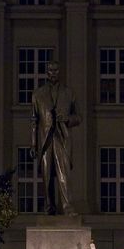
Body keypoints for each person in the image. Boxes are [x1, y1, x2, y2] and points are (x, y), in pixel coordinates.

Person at [30, 60, 82, 216]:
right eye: (50, 70)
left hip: (62, 137)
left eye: (56, 70)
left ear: (60, 72)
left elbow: (79, 117)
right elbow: (34, 120)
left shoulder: (68, 93)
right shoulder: (38, 94)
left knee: (63, 173)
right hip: (45, 140)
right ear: (46, 72)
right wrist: (33, 144)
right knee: (46, 176)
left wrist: (67, 119)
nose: (53, 73)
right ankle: (49, 207)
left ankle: (67, 206)